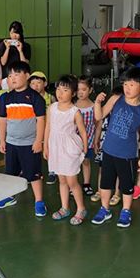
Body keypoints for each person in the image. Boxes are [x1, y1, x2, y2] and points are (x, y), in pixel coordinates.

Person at [91, 67, 140, 228]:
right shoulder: (116, 99)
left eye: (132, 85)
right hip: (109, 150)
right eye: (125, 84)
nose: (127, 88)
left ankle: (126, 211)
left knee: (127, 185)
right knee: (105, 183)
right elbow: (99, 116)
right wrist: (97, 102)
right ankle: (105, 209)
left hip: (127, 155)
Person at [0, 61, 47, 216]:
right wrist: (2, 140)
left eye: (17, 74)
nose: (13, 78)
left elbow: (41, 120)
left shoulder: (35, 98)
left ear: (27, 76)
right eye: (10, 75)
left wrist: (38, 141)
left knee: (34, 174)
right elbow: (2, 120)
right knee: (11, 172)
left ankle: (39, 201)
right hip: (11, 143)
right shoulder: (6, 98)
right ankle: (10, 196)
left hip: (30, 143)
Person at [44, 75, 88, 225]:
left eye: (65, 90)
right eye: (58, 89)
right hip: (55, 147)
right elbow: (48, 127)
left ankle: (81, 209)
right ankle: (65, 208)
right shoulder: (52, 108)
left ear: (73, 93)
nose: (60, 93)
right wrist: (45, 146)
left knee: (72, 181)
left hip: (69, 148)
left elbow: (82, 132)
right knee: (62, 180)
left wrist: (85, 148)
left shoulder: (75, 112)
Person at [91, 85, 122, 206]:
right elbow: (99, 126)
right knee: (102, 169)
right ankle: (100, 191)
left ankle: (117, 194)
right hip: (104, 145)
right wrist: (96, 141)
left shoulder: (123, 116)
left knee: (118, 172)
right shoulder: (106, 113)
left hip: (118, 147)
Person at [29, 71, 57, 185]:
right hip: (34, 129)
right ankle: (35, 172)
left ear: (45, 84)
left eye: (38, 83)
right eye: (32, 83)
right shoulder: (29, 98)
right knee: (34, 151)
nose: (35, 86)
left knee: (49, 149)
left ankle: (52, 171)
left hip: (48, 128)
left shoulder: (50, 98)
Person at [76, 75, 97, 196]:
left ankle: (86, 183)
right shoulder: (73, 106)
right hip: (74, 140)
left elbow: (97, 123)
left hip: (88, 140)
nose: (80, 92)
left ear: (90, 90)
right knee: (74, 162)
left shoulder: (93, 106)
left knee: (86, 161)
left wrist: (96, 141)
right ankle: (73, 185)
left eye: (84, 89)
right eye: (78, 89)